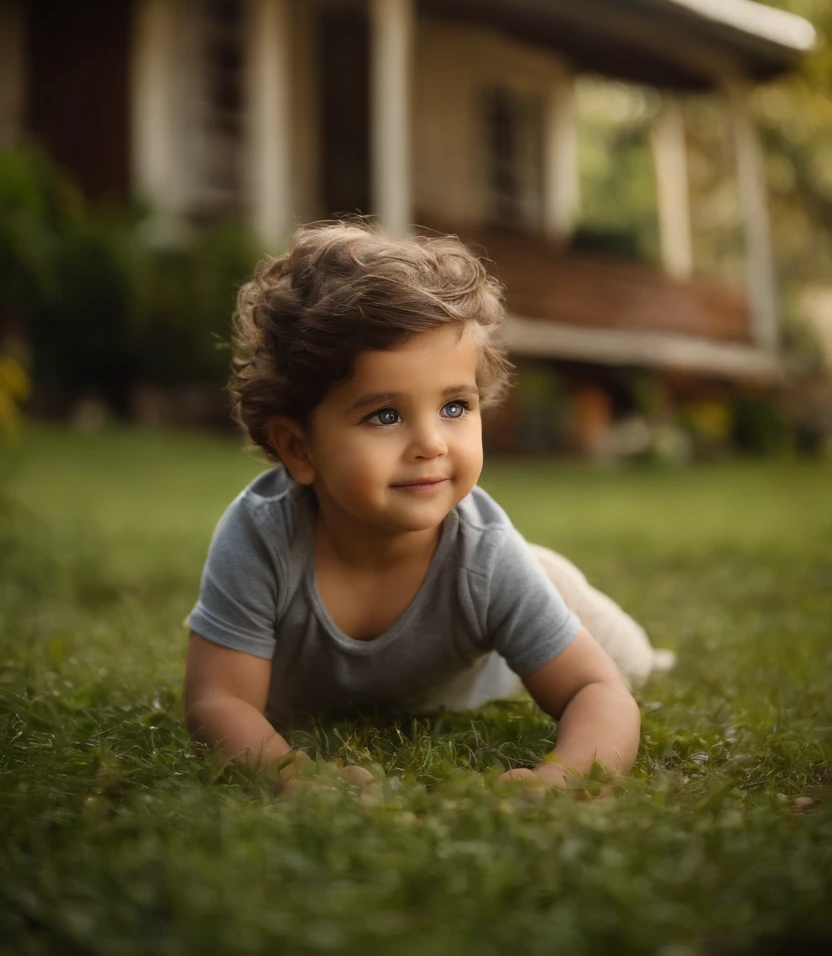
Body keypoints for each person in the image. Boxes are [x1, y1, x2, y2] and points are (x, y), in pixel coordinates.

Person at [184, 221, 669, 792]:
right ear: (300, 447)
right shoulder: (261, 540)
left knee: (618, 652)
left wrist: (563, 779)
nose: (432, 443)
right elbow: (218, 699)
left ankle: (643, 649)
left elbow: (598, 691)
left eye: (455, 407)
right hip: (476, 594)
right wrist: (292, 776)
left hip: (503, 609)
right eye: (385, 415)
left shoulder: (486, 559)